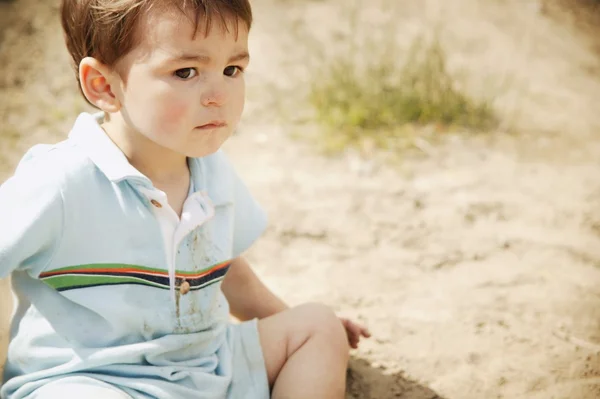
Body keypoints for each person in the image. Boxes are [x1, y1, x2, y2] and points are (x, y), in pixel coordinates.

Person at [0, 1, 371, 398]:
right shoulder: (60, 181)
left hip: (208, 367)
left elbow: (222, 266)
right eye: (185, 72)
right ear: (104, 86)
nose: (218, 95)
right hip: (95, 378)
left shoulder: (212, 171)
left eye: (232, 70)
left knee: (318, 324)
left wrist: (291, 321)